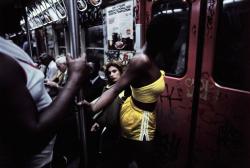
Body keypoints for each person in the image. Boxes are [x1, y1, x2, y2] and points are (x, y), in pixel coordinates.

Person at [82, 14, 180, 168]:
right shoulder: (141, 61)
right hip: (139, 118)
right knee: (146, 162)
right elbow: (116, 88)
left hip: (142, 114)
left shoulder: (155, 56)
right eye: (173, 39)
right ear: (165, 40)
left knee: (127, 156)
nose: (175, 44)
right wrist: (94, 107)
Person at [0, 1, 90, 167]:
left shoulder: (6, 46)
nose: (21, 8)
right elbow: (31, 138)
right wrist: (75, 78)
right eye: (13, 3)